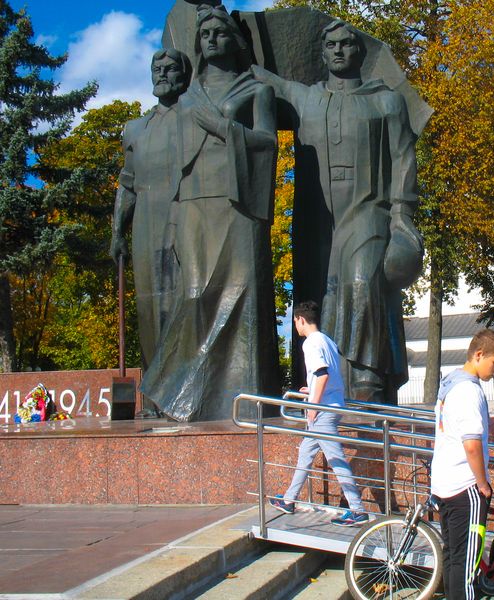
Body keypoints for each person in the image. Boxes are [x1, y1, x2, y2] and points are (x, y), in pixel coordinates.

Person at [254, 20, 423, 405]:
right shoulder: (306, 98)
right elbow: (261, 80)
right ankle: (321, 380)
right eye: (331, 45)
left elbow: (403, 159)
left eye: (347, 44)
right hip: (318, 218)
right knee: (320, 298)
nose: (339, 50)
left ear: (359, 51)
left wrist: (402, 215)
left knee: (362, 280)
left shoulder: (385, 100)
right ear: (322, 53)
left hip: (369, 209)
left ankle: (367, 379)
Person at [139, 4, 280, 421]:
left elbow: (268, 143)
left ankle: (245, 398)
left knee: (241, 294)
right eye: (205, 36)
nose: (212, 40)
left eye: (220, 33)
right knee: (195, 294)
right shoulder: (187, 99)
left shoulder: (256, 90)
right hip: (195, 203)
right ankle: (179, 394)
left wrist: (223, 128)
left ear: (235, 42)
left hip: (238, 203)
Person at [110, 48, 192, 415]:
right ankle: (155, 399)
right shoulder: (135, 128)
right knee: (148, 309)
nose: (162, 73)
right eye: (156, 68)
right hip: (145, 225)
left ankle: (182, 396)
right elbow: (126, 184)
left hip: (185, 221)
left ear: (184, 76)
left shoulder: (194, 120)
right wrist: (117, 232)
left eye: (170, 68)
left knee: (179, 306)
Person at [270, 300, 368, 527]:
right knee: (305, 453)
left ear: (301, 320)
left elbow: (322, 375)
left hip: (323, 411)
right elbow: (326, 375)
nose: (295, 327)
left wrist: (313, 406)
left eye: (295, 322)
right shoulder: (327, 340)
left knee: (336, 458)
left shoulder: (310, 343)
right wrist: (311, 388)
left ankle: (357, 509)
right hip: (331, 405)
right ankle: (289, 500)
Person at [431, 329, 494, 600]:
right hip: (465, 488)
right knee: (467, 568)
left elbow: (454, 424)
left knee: (454, 559)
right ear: (479, 355)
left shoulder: (452, 383)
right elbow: (472, 445)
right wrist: (482, 484)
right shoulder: (468, 391)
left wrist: (486, 423)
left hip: (445, 485)